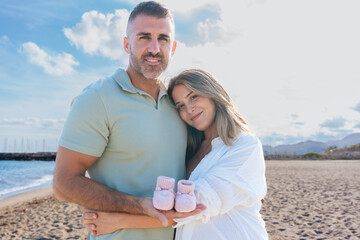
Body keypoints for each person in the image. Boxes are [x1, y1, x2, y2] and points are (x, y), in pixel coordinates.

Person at [53, 2, 204, 240]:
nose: (154, 48)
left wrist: (241, 187)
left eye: (163, 39)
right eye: (144, 37)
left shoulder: (179, 104)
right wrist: (138, 205)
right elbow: (64, 184)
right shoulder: (97, 98)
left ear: (173, 47)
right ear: (127, 44)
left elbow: (201, 156)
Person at [82, 69, 269, 239]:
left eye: (194, 97)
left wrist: (119, 221)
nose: (189, 109)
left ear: (213, 94)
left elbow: (195, 205)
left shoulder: (244, 145)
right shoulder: (190, 149)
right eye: (180, 105)